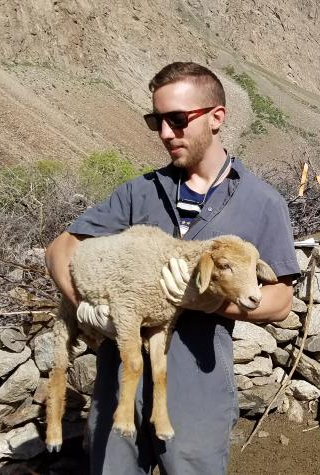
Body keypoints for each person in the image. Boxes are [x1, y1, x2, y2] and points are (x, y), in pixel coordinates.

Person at [45, 62, 300, 474]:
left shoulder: (261, 202)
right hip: (118, 386)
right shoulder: (139, 192)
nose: (165, 133)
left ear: (217, 117)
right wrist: (90, 310)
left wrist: (207, 302)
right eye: (156, 121)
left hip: (197, 391)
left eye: (178, 120)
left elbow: (280, 300)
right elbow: (60, 249)